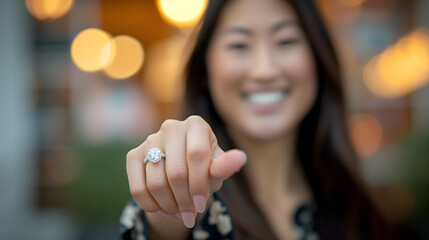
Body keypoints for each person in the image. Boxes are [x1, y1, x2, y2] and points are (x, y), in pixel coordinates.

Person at [120, 0, 394, 239]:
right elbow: (161, 228)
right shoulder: (196, 200)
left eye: (286, 41)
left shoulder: (357, 203)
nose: (264, 70)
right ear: (205, 70)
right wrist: (167, 205)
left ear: (318, 59)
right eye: (239, 45)